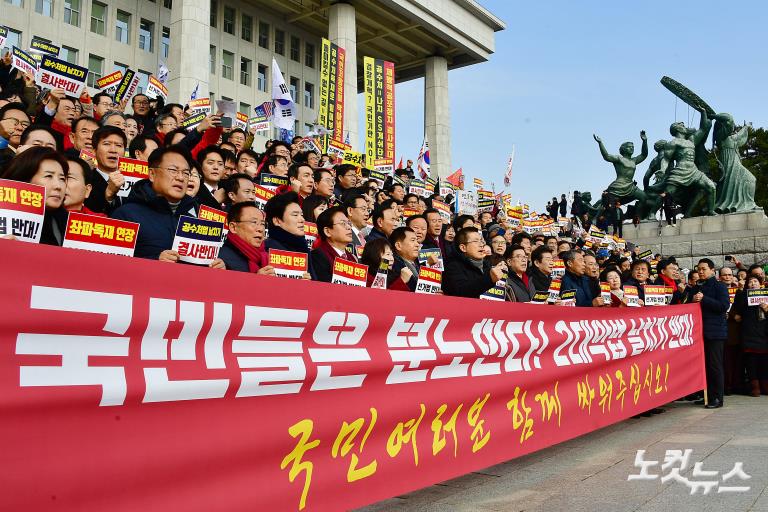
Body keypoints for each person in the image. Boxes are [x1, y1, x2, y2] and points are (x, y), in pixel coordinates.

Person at [111, 147, 221, 266]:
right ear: (152, 174)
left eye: (185, 173)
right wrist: (155, 260)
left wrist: (218, 265)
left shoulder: (198, 217)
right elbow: (113, 264)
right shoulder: (126, 214)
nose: (180, 178)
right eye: (173, 170)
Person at [1, 147, 68, 245]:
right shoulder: (4, 215)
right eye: (48, 176)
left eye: (62, 179)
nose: (58, 186)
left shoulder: (66, 224)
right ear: (26, 179)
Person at [692, 258, 731, 409]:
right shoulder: (696, 287)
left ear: (712, 270)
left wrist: (704, 299)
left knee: (715, 366)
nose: (701, 272)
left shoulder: (719, 286)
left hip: (715, 332)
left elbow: (723, 306)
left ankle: (717, 398)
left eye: (704, 269)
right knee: (704, 365)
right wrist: (692, 299)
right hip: (699, 332)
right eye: (699, 269)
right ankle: (707, 396)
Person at [443, 227, 505, 298]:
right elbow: (461, 292)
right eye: (476, 241)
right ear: (463, 248)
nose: (481, 245)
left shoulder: (488, 266)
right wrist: (489, 278)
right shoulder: (453, 267)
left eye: (481, 241)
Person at [732, 275, 768, 396]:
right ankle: (755, 387)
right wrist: (740, 290)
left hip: (764, 334)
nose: (753, 284)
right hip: (749, 334)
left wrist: (766, 309)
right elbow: (737, 308)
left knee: (764, 362)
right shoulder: (743, 296)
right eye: (750, 282)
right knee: (751, 362)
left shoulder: (766, 295)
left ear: (760, 284)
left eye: (755, 281)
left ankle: (765, 386)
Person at [218, 202, 274, 275]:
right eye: (254, 222)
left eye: (262, 224)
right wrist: (256, 280)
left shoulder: (269, 258)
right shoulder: (220, 261)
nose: (260, 229)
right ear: (233, 227)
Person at [85, 126, 127, 214]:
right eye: (107, 144)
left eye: (119, 145)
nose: (113, 150)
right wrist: (109, 195)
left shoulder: (135, 183)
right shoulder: (86, 181)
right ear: (94, 151)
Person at [310, 207, 357, 282]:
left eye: (349, 223)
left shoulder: (352, 258)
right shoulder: (318, 256)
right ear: (327, 231)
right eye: (343, 223)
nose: (349, 227)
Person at [263, 191, 312, 262]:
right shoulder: (269, 249)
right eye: (295, 215)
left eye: (302, 215)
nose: (302, 220)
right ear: (277, 221)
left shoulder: (302, 246)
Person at [387, 227, 421, 292]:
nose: (417, 244)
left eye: (417, 241)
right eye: (412, 240)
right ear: (398, 246)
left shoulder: (419, 264)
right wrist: (401, 280)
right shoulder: (391, 266)